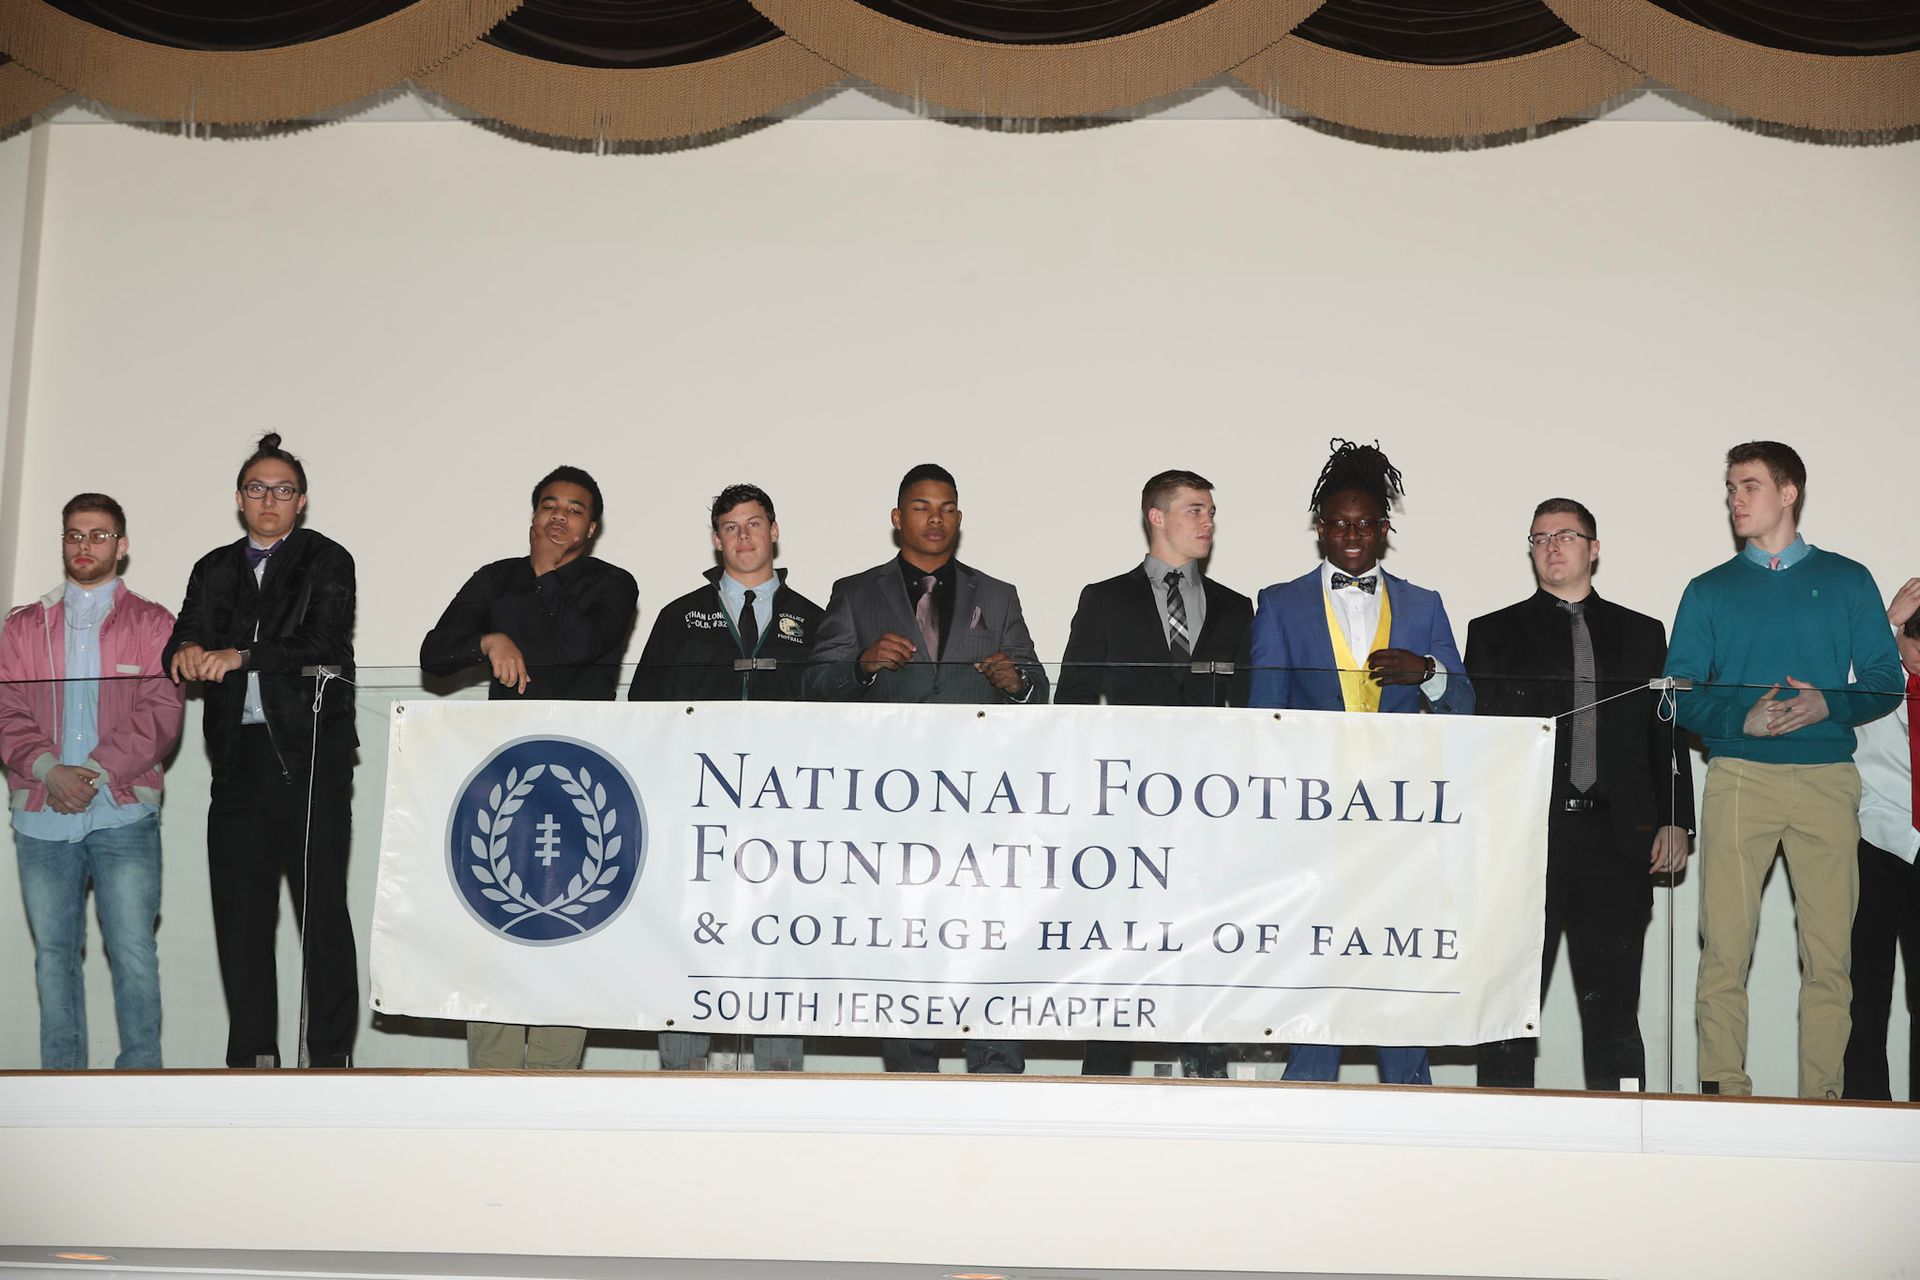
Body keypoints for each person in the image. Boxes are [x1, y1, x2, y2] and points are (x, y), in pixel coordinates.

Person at [1665, 441, 1901, 1099]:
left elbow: (1885, 681)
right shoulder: (1709, 590)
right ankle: (1724, 1094)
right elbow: (1674, 693)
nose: (1734, 499)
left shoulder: (1849, 580)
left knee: (1831, 960)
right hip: (1741, 776)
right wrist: (1742, 720)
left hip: (1828, 780)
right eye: (1731, 488)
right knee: (1724, 952)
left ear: (1788, 492)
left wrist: (1832, 699)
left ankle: (1824, 1099)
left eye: (1748, 486)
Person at [805, 462, 1047, 1073]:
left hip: (983, 807)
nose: (935, 518)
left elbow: (1040, 693)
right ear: (897, 518)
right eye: (921, 507)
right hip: (892, 808)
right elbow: (812, 686)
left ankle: (995, 1067)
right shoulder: (855, 593)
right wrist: (860, 666)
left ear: (959, 519)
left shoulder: (999, 595)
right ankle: (911, 1073)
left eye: (946, 507)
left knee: (990, 937)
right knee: (905, 942)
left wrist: (1015, 684)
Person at [1248, 439, 1472, 1085]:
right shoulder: (1279, 603)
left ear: (1385, 530)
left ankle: (1412, 1107)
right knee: (1318, 968)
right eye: (1341, 523)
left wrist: (1426, 671)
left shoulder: (1424, 604)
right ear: (1321, 529)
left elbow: (1466, 703)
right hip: (1315, 823)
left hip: (1401, 825)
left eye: (1367, 523)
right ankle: (1305, 1106)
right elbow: (1266, 718)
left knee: (1396, 967)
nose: (1353, 535)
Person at [1466, 498, 1695, 1092]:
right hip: (1529, 842)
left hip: (1619, 842)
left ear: (1594, 549)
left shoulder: (1643, 632)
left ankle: (1625, 1132)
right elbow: (1480, 746)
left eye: (1566, 535)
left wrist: (1677, 820)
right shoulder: (1492, 633)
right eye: (1539, 537)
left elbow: (1662, 733)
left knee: (1615, 1005)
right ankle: (1500, 1124)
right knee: (1510, 1003)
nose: (1551, 547)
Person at [420, 465, 637, 1069]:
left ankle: (551, 1078)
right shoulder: (496, 579)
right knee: (493, 922)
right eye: (550, 505)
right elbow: (434, 655)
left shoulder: (613, 584)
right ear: (533, 513)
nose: (559, 516)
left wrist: (542, 581)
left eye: (574, 509)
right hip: (504, 775)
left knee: (572, 923)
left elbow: (578, 647)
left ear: (591, 527)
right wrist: (486, 641)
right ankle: (490, 1078)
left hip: (583, 779)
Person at [165, 433, 359, 1068]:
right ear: (239, 499)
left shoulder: (328, 560)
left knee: (321, 918)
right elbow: (183, 636)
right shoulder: (213, 567)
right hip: (239, 761)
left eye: (281, 489)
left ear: (300, 501)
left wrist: (242, 655)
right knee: (241, 921)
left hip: (309, 762)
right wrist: (185, 655)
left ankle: (330, 1059)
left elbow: (323, 643)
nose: (268, 499)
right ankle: (252, 1058)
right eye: (256, 488)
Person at [1057, 468, 1252, 1078]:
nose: (1208, 521)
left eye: (1212, 511)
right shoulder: (1104, 599)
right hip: (1126, 811)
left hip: (1209, 808)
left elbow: (1250, 715)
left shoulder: (1236, 608)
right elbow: (1074, 704)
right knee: (1120, 947)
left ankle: (1206, 1071)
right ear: (1157, 517)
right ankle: (1105, 1077)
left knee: (1205, 943)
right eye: (1195, 509)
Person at [631, 482, 821, 1071]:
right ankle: (682, 1080)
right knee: (692, 940)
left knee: (779, 942)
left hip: (784, 814)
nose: (744, 536)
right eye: (732, 527)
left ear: (775, 531)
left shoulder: (815, 620)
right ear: (716, 540)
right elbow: (643, 712)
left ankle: (780, 1082)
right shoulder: (677, 616)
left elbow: (836, 723)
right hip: (696, 814)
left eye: (755, 523)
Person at [0, 494, 183, 1069]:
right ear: (63, 543)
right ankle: (60, 1086)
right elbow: (6, 712)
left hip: (123, 810)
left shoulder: (156, 624)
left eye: (99, 536)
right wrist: (50, 771)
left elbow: (160, 711)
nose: (85, 546)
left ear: (122, 547)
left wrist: (96, 772)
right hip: (40, 812)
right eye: (74, 535)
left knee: (132, 951)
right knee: (53, 957)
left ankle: (141, 1084)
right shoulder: (23, 626)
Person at [1841, 577, 1920, 1100]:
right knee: (1864, 989)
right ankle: (1865, 1107)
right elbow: (1831, 693)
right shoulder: (1875, 678)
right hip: (1874, 842)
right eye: (1914, 640)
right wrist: (1885, 622)